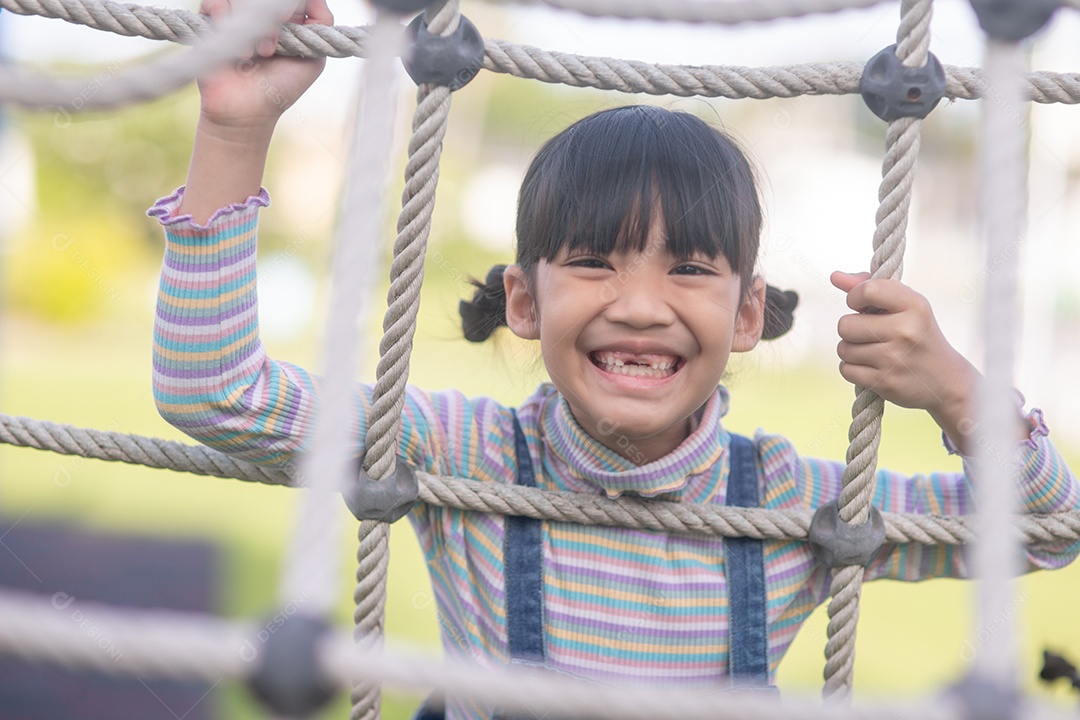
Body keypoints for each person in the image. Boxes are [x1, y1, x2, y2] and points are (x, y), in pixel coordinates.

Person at [150, 1, 1079, 716]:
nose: (638, 307)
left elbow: (1047, 530)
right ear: (524, 300)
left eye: (688, 270)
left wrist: (960, 395)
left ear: (748, 312)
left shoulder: (796, 506)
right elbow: (213, 391)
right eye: (593, 264)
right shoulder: (460, 455)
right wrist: (236, 131)